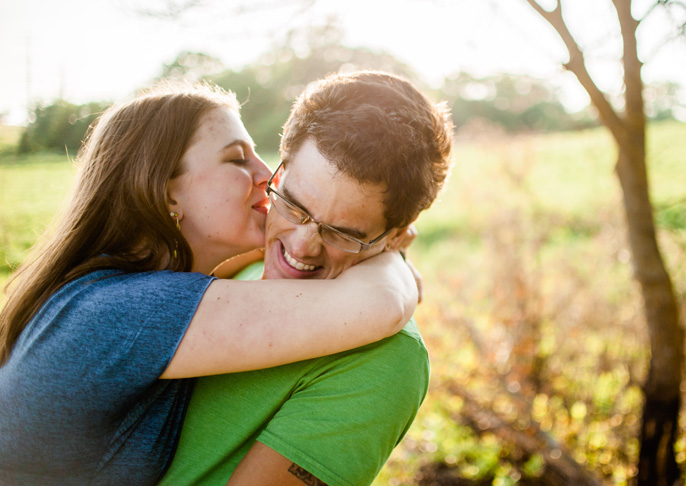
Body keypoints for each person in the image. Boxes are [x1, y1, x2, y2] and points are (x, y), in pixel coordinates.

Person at [0, 82, 420, 485]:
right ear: (166, 194)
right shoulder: (128, 312)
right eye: (238, 159)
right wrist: (392, 256)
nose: (267, 176)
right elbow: (379, 305)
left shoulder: (120, 291)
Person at [160, 71, 454, 486]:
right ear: (274, 175)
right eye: (293, 205)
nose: (301, 247)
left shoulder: (386, 361)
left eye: (342, 233)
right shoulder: (242, 266)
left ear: (395, 238)